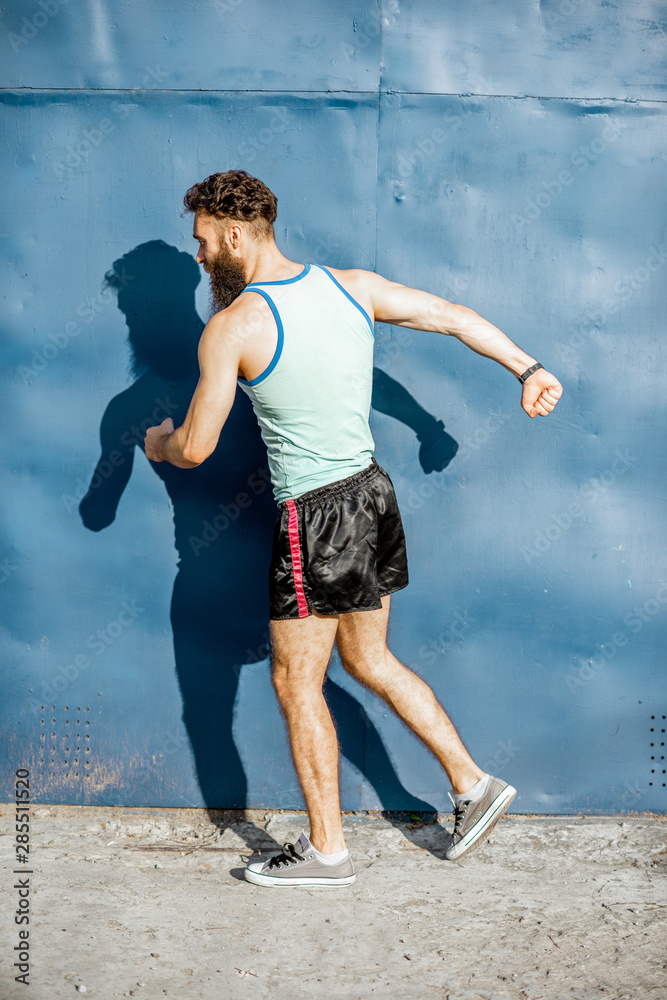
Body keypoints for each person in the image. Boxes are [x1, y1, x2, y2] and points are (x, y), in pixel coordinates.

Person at [144, 169, 563, 888]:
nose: (200, 256)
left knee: (294, 679)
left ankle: (328, 850)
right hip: (372, 495)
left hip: (316, 515)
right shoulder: (350, 286)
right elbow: (454, 315)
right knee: (368, 662)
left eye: (204, 242)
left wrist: (158, 443)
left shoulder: (234, 326)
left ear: (235, 234)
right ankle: (472, 784)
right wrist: (528, 368)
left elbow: (197, 447)